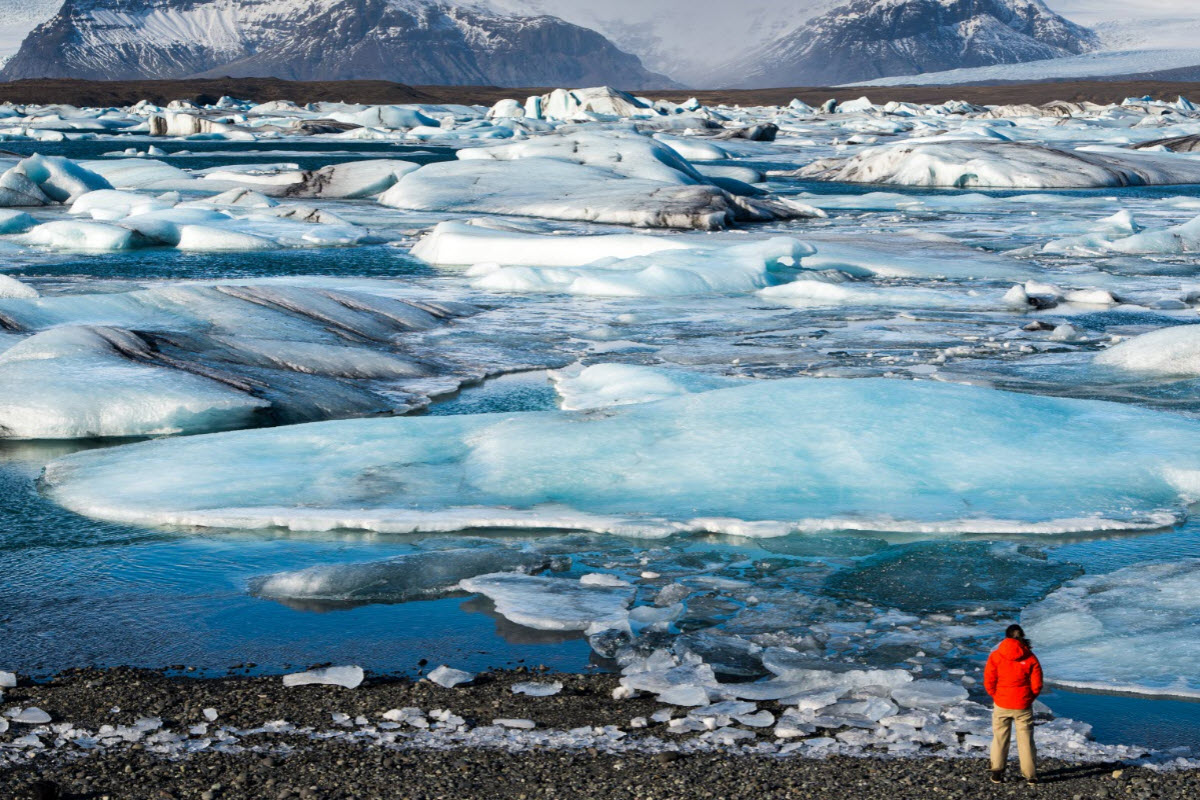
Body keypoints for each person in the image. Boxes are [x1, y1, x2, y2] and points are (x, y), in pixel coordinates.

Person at [984, 623, 1043, 785]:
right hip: (1022, 704)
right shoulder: (1030, 657)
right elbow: (1037, 684)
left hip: (1002, 703)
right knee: (1025, 740)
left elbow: (989, 680)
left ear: (1007, 636)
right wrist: (1028, 698)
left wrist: (996, 696)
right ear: (1022, 636)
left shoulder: (996, 656)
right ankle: (1030, 776)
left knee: (1000, 738)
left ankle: (996, 773)